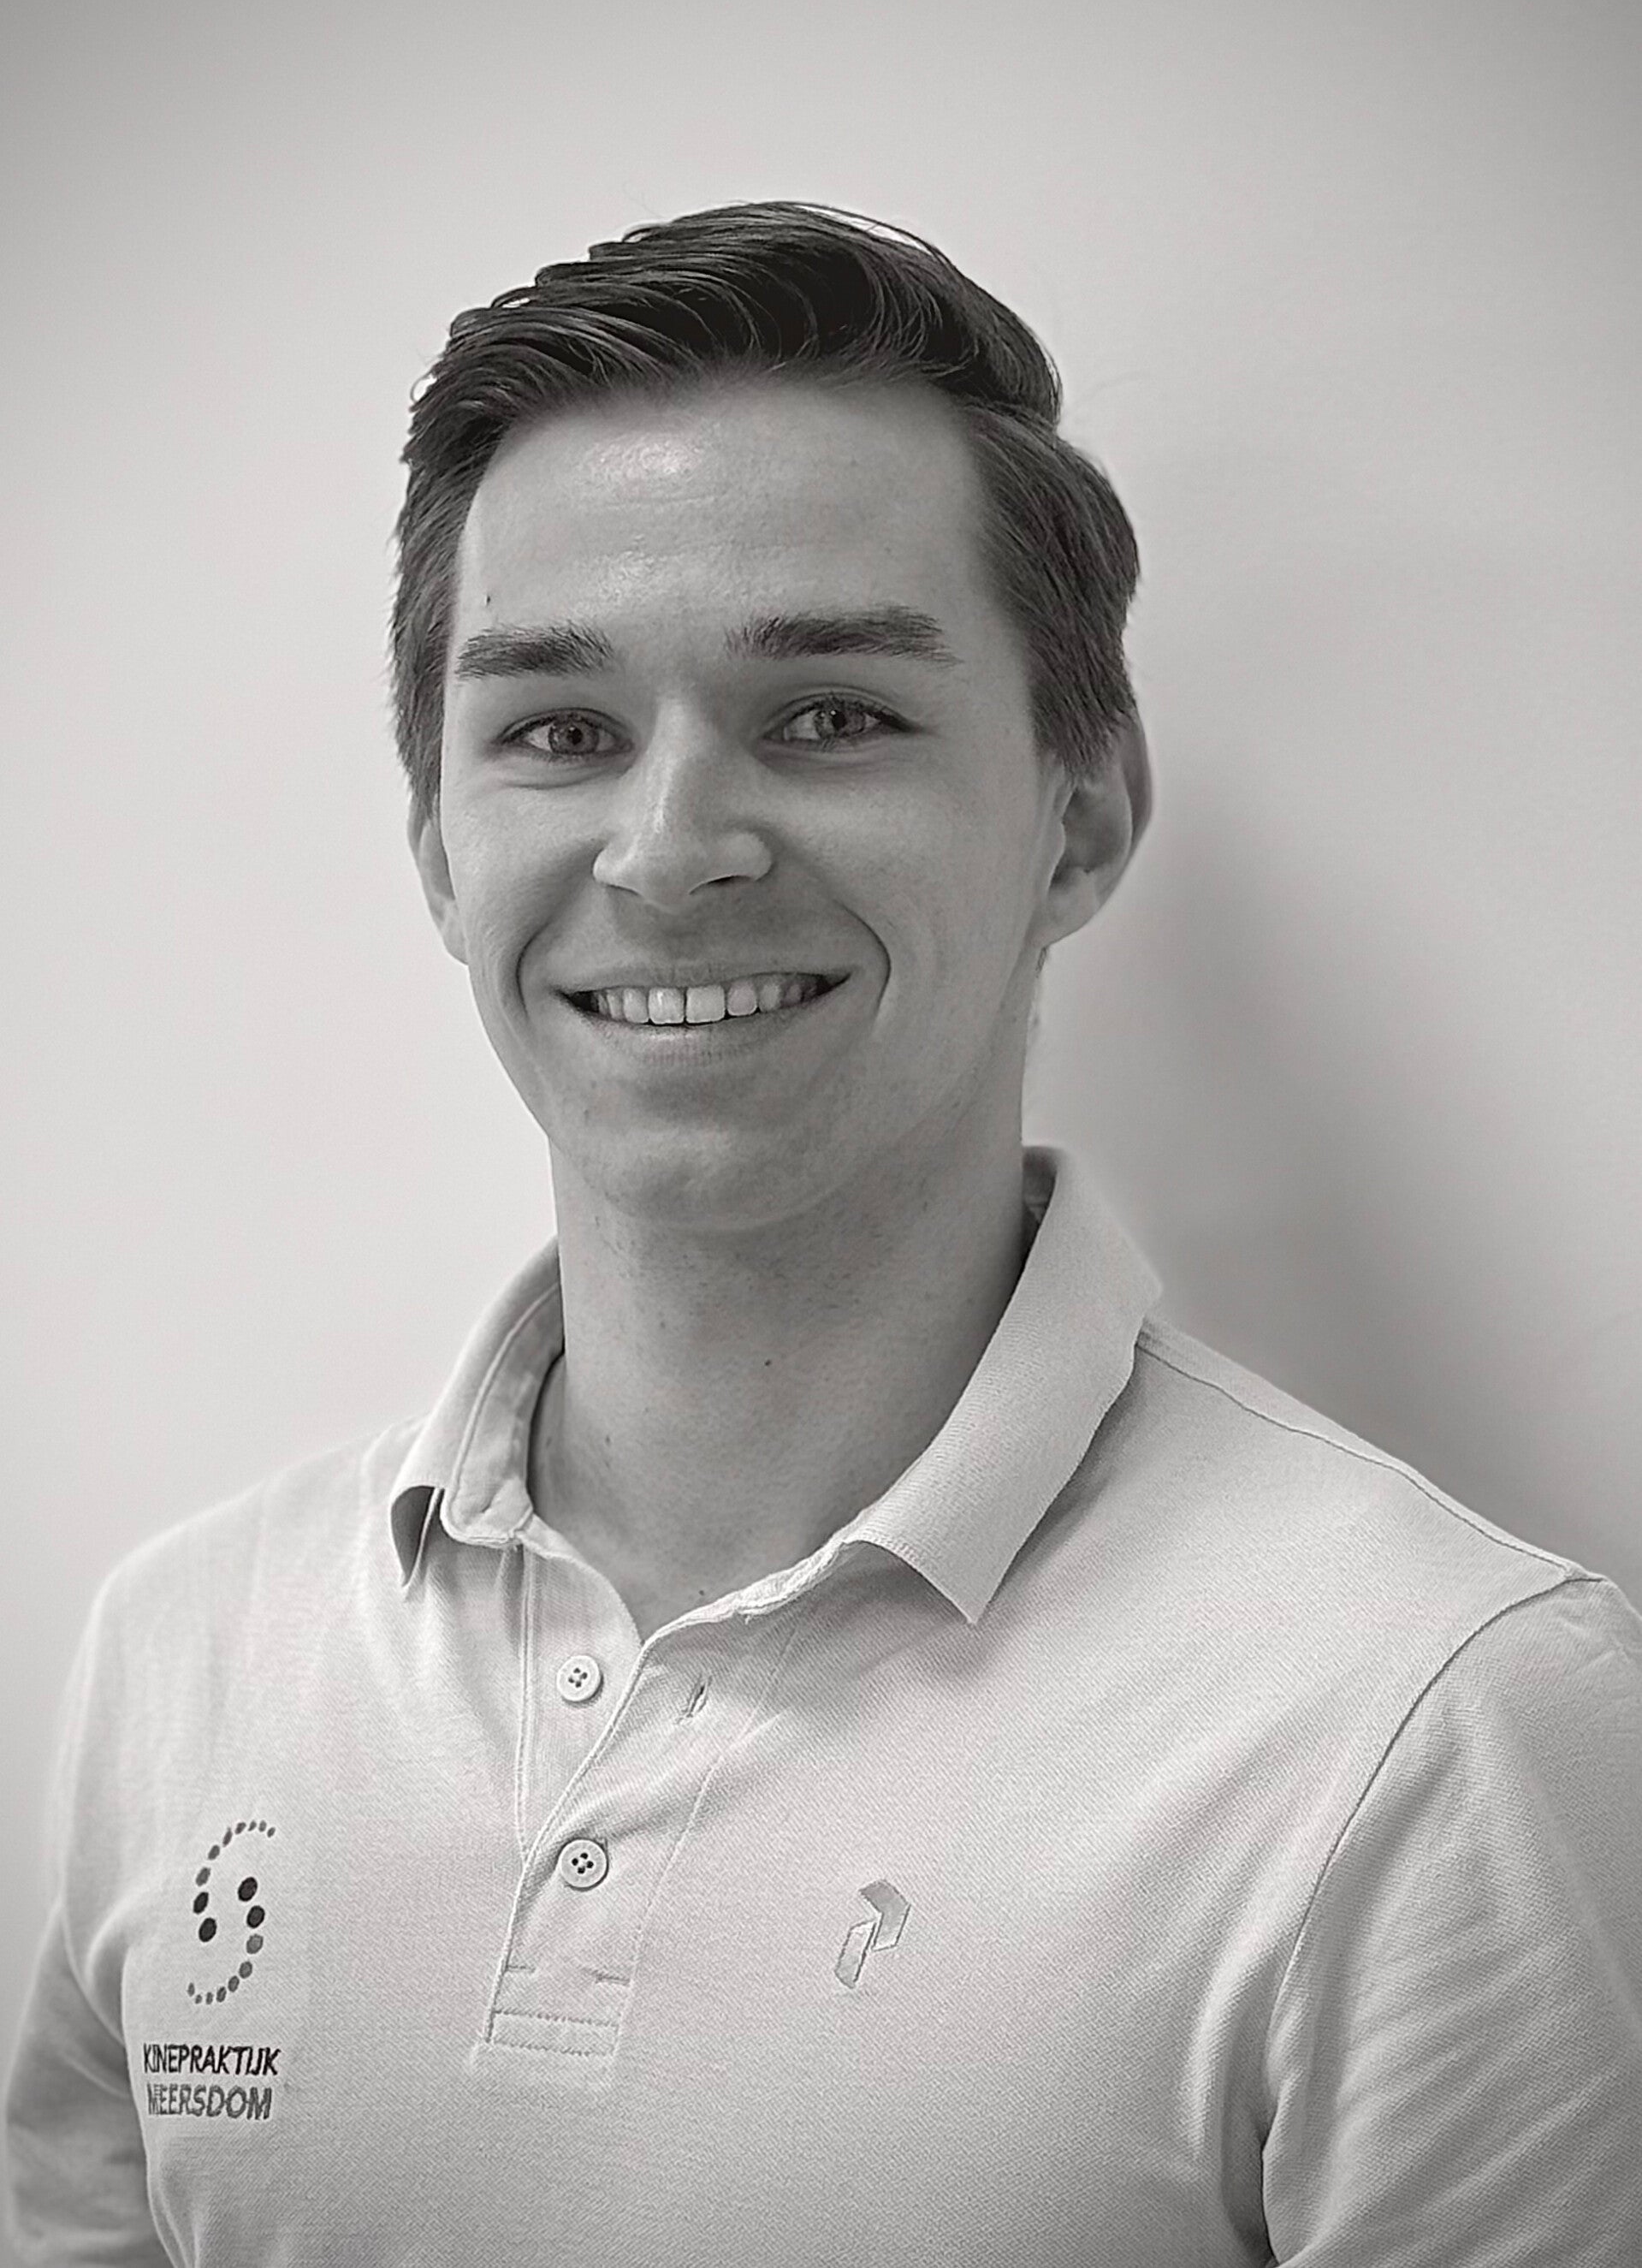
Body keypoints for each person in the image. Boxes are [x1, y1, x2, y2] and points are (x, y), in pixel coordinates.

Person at [6, 200, 1640, 2267]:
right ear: (438, 844)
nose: (671, 850)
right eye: (559, 731)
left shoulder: (1438, 1727)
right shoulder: (185, 1656)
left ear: (1081, 818)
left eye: (832, 715)